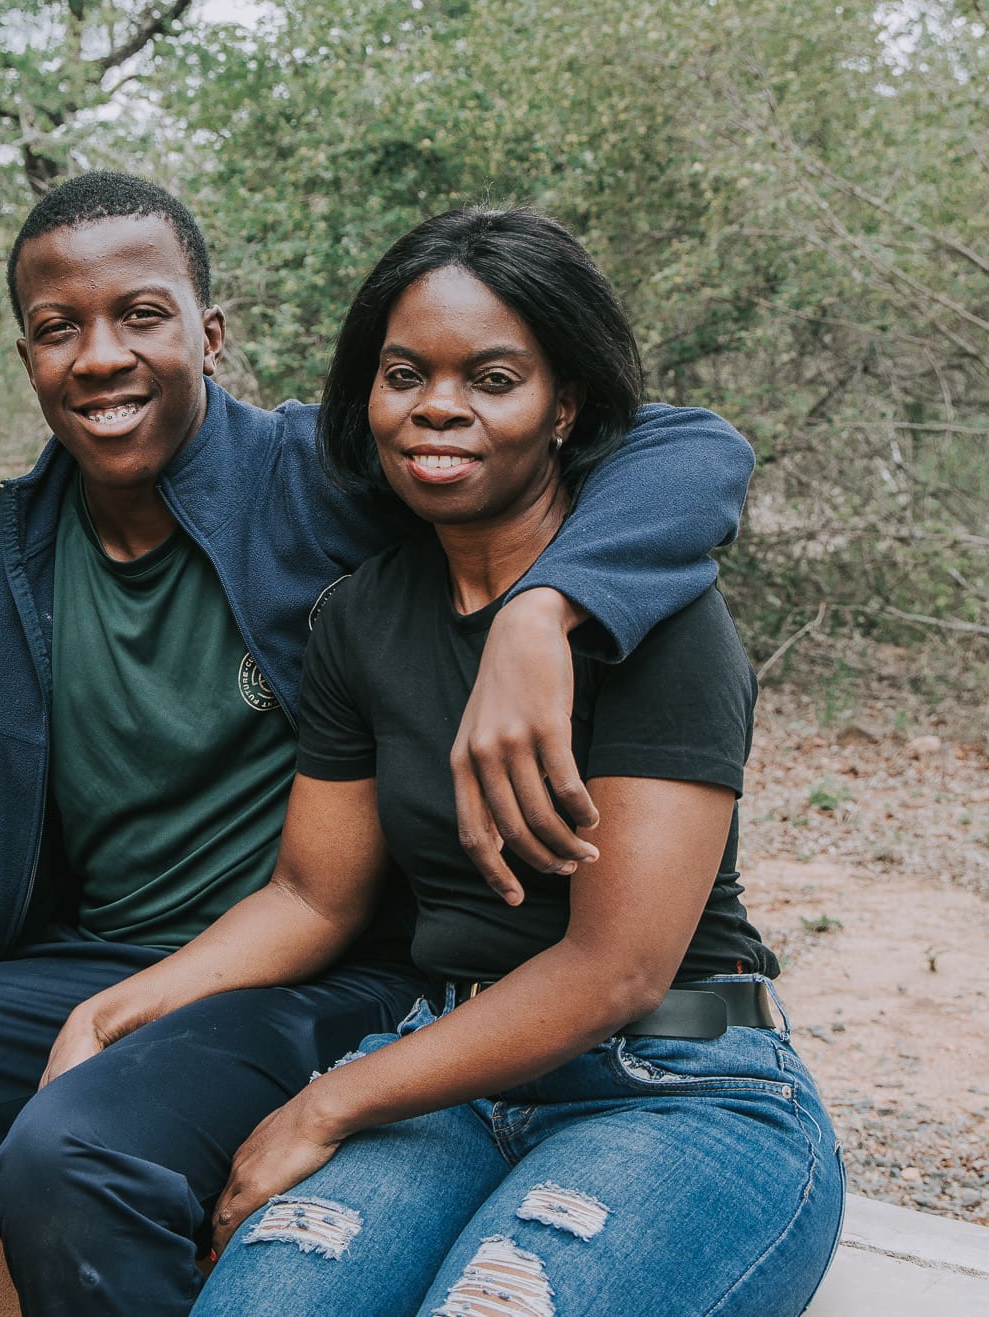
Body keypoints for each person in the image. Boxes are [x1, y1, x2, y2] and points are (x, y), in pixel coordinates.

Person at [0, 174, 759, 1317]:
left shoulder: (324, 482)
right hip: (92, 967)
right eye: (56, 328)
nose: (99, 356)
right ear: (25, 355)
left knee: (76, 1154)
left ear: (206, 334)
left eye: (140, 315)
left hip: (325, 976)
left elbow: (681, 447)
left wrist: (544, 608)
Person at [43, 206, 841, 1317]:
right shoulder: (359, 622)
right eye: (403, 372)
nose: (436, 407)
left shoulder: (654, 616)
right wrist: (121, 1008)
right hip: (445, 1084)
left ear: (562, 406)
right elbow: (312, 895)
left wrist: (324, 1105)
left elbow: (615, 971)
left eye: (492, 378)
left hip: (675, 1088)